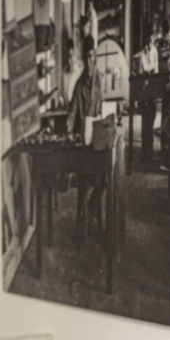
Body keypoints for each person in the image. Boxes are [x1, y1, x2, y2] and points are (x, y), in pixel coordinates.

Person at [67, 36, 105, 234]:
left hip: (96, 139)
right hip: (83, 141)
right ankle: (83, 218)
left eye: (93, 58)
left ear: (95, 58)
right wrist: (68, 127)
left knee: (103, 180)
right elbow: (72, 111)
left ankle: (91, 208)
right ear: (84, 59)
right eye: (88, 58)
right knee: (83, 181)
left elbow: (102, 109)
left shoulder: (100, 80)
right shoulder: (79, 84)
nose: (90, 62)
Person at [139, 33, 159, 160]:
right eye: (148, 41)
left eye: (152, 41)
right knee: (144, 121)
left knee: (151, 117)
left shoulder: (155, 52)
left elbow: (155, 69)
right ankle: (144, 150)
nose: (150, 44)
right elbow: (142, 71)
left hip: (152, 87)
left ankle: (149, 150)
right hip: (143, 87)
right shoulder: (142, 54)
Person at [63, 39, 82, 105]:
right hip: (67, 104)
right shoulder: (65, 72)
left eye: (71, 56)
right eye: (68, 57)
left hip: (75, 104)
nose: (70, 60)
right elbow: (65, 91)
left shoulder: (78, 72)